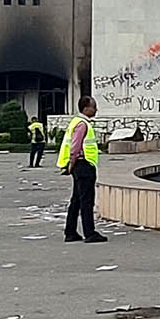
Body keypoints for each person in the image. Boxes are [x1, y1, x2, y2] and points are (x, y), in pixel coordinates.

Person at [57, 98, 105, 243]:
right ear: (85, 108)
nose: (96, 110)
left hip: (79, 165)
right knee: (86, 200)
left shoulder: (75, 122)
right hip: (83, 165)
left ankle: (70, 232)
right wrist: (71, 164)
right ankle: (89, 233)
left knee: (76, 200)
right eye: (93, 107)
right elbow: (75, 147)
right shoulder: (82, 124)